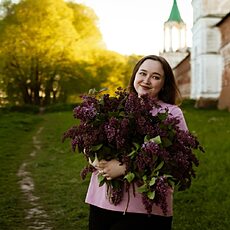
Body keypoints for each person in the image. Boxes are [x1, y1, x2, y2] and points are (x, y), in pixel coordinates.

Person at [85, 54, 188, 230]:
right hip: (104, 200)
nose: (146, 80)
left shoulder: (172, 114)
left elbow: (177, 159)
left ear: (164, 84)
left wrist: (125, 167)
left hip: (147, 208)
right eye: (142, 73)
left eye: (155, 77)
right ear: (135, 76)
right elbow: (90, 142)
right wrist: (96, 160)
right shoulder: (114, 107)